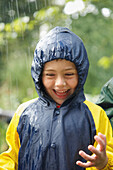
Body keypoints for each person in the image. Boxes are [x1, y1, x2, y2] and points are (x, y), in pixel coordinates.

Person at [0, 26, 113, 170]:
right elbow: (11, 157)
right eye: (50, 75)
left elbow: (108, 153)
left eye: (69, 74)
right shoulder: (24, 113)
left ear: (81, 73)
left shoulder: (96, 115)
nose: (60, 83)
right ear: (39, 76)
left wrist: (104, 162)